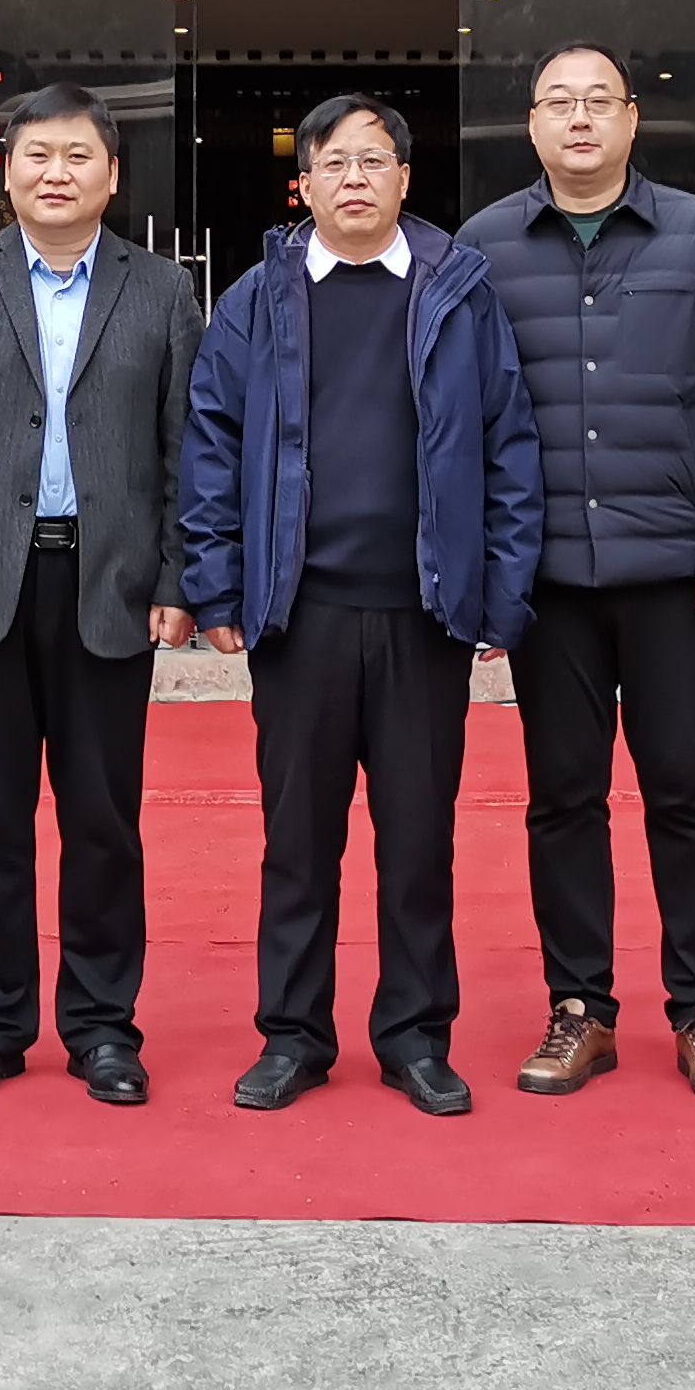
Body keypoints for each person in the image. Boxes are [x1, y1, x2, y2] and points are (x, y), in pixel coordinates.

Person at [182, 95, 541, 1117]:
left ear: (404, 179)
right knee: (297, 842)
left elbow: (508, 443)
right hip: (299, 616)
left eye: (373, 161)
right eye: (332, 163)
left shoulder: (456, 290)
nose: (353, 179)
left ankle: (415, 1036)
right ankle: (292, 1036)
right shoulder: (259, 297)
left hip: (423, 615)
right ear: (302, 183)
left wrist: (500, 593)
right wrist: (215, 581)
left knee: (417, 840)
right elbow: (211, 445)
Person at [458, 41, 695, 1103]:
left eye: (600, 101)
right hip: (546, 576)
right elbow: (462, 421)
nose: (580, 119)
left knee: (685, 789)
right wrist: (484, 570)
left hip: (674, 569)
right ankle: (579, 1005)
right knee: (563, 796)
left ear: (633, 119)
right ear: (532, 124)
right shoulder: (485, 246)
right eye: (560, 102)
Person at [0, 82, 205, 1106]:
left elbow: (186, 448)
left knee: (103, 820)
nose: (55, 173)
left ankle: (103, 1025)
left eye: (77, 156)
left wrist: (177, 578)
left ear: (112, 175)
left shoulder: (160, 289)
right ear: (7, 170)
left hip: (108, 583)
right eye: (37, 155)